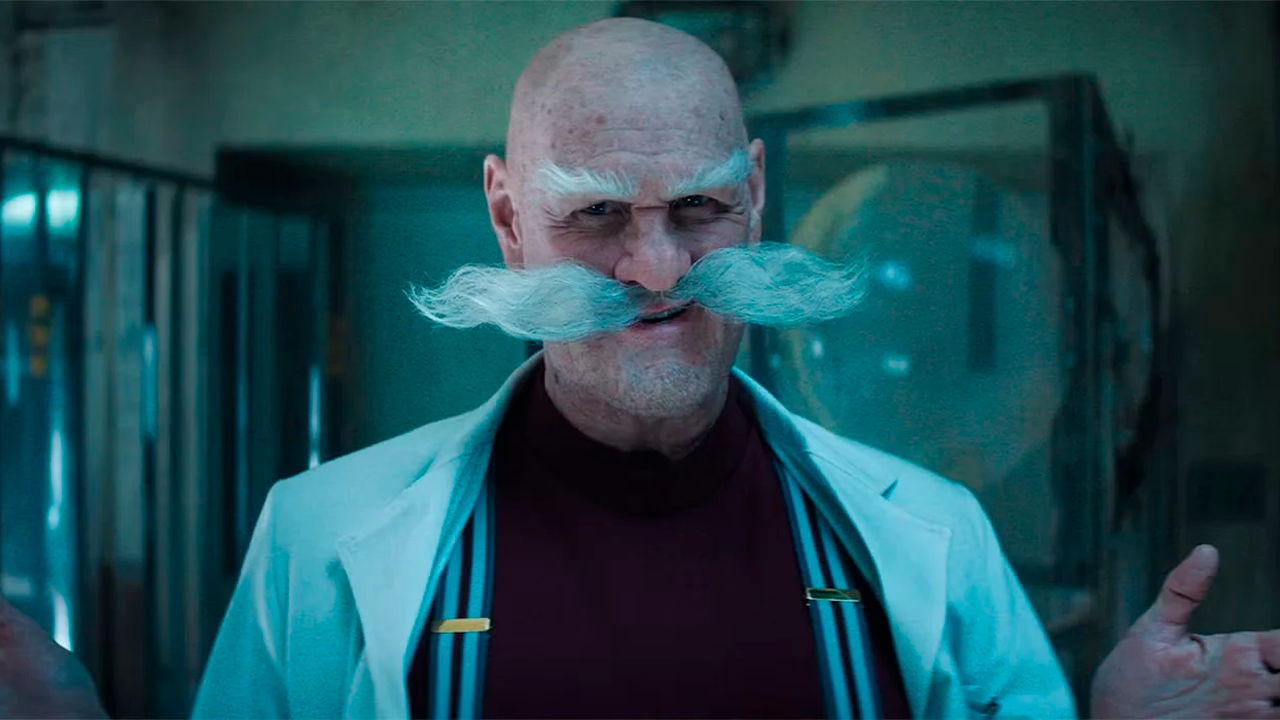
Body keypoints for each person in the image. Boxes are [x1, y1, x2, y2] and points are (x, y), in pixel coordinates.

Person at [1, 17, 1279, 720]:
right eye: (598, 215)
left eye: (698, 210)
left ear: (755, 195)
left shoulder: (935, 541)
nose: (656, 269)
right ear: (507, 216)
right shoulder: (318, 540)